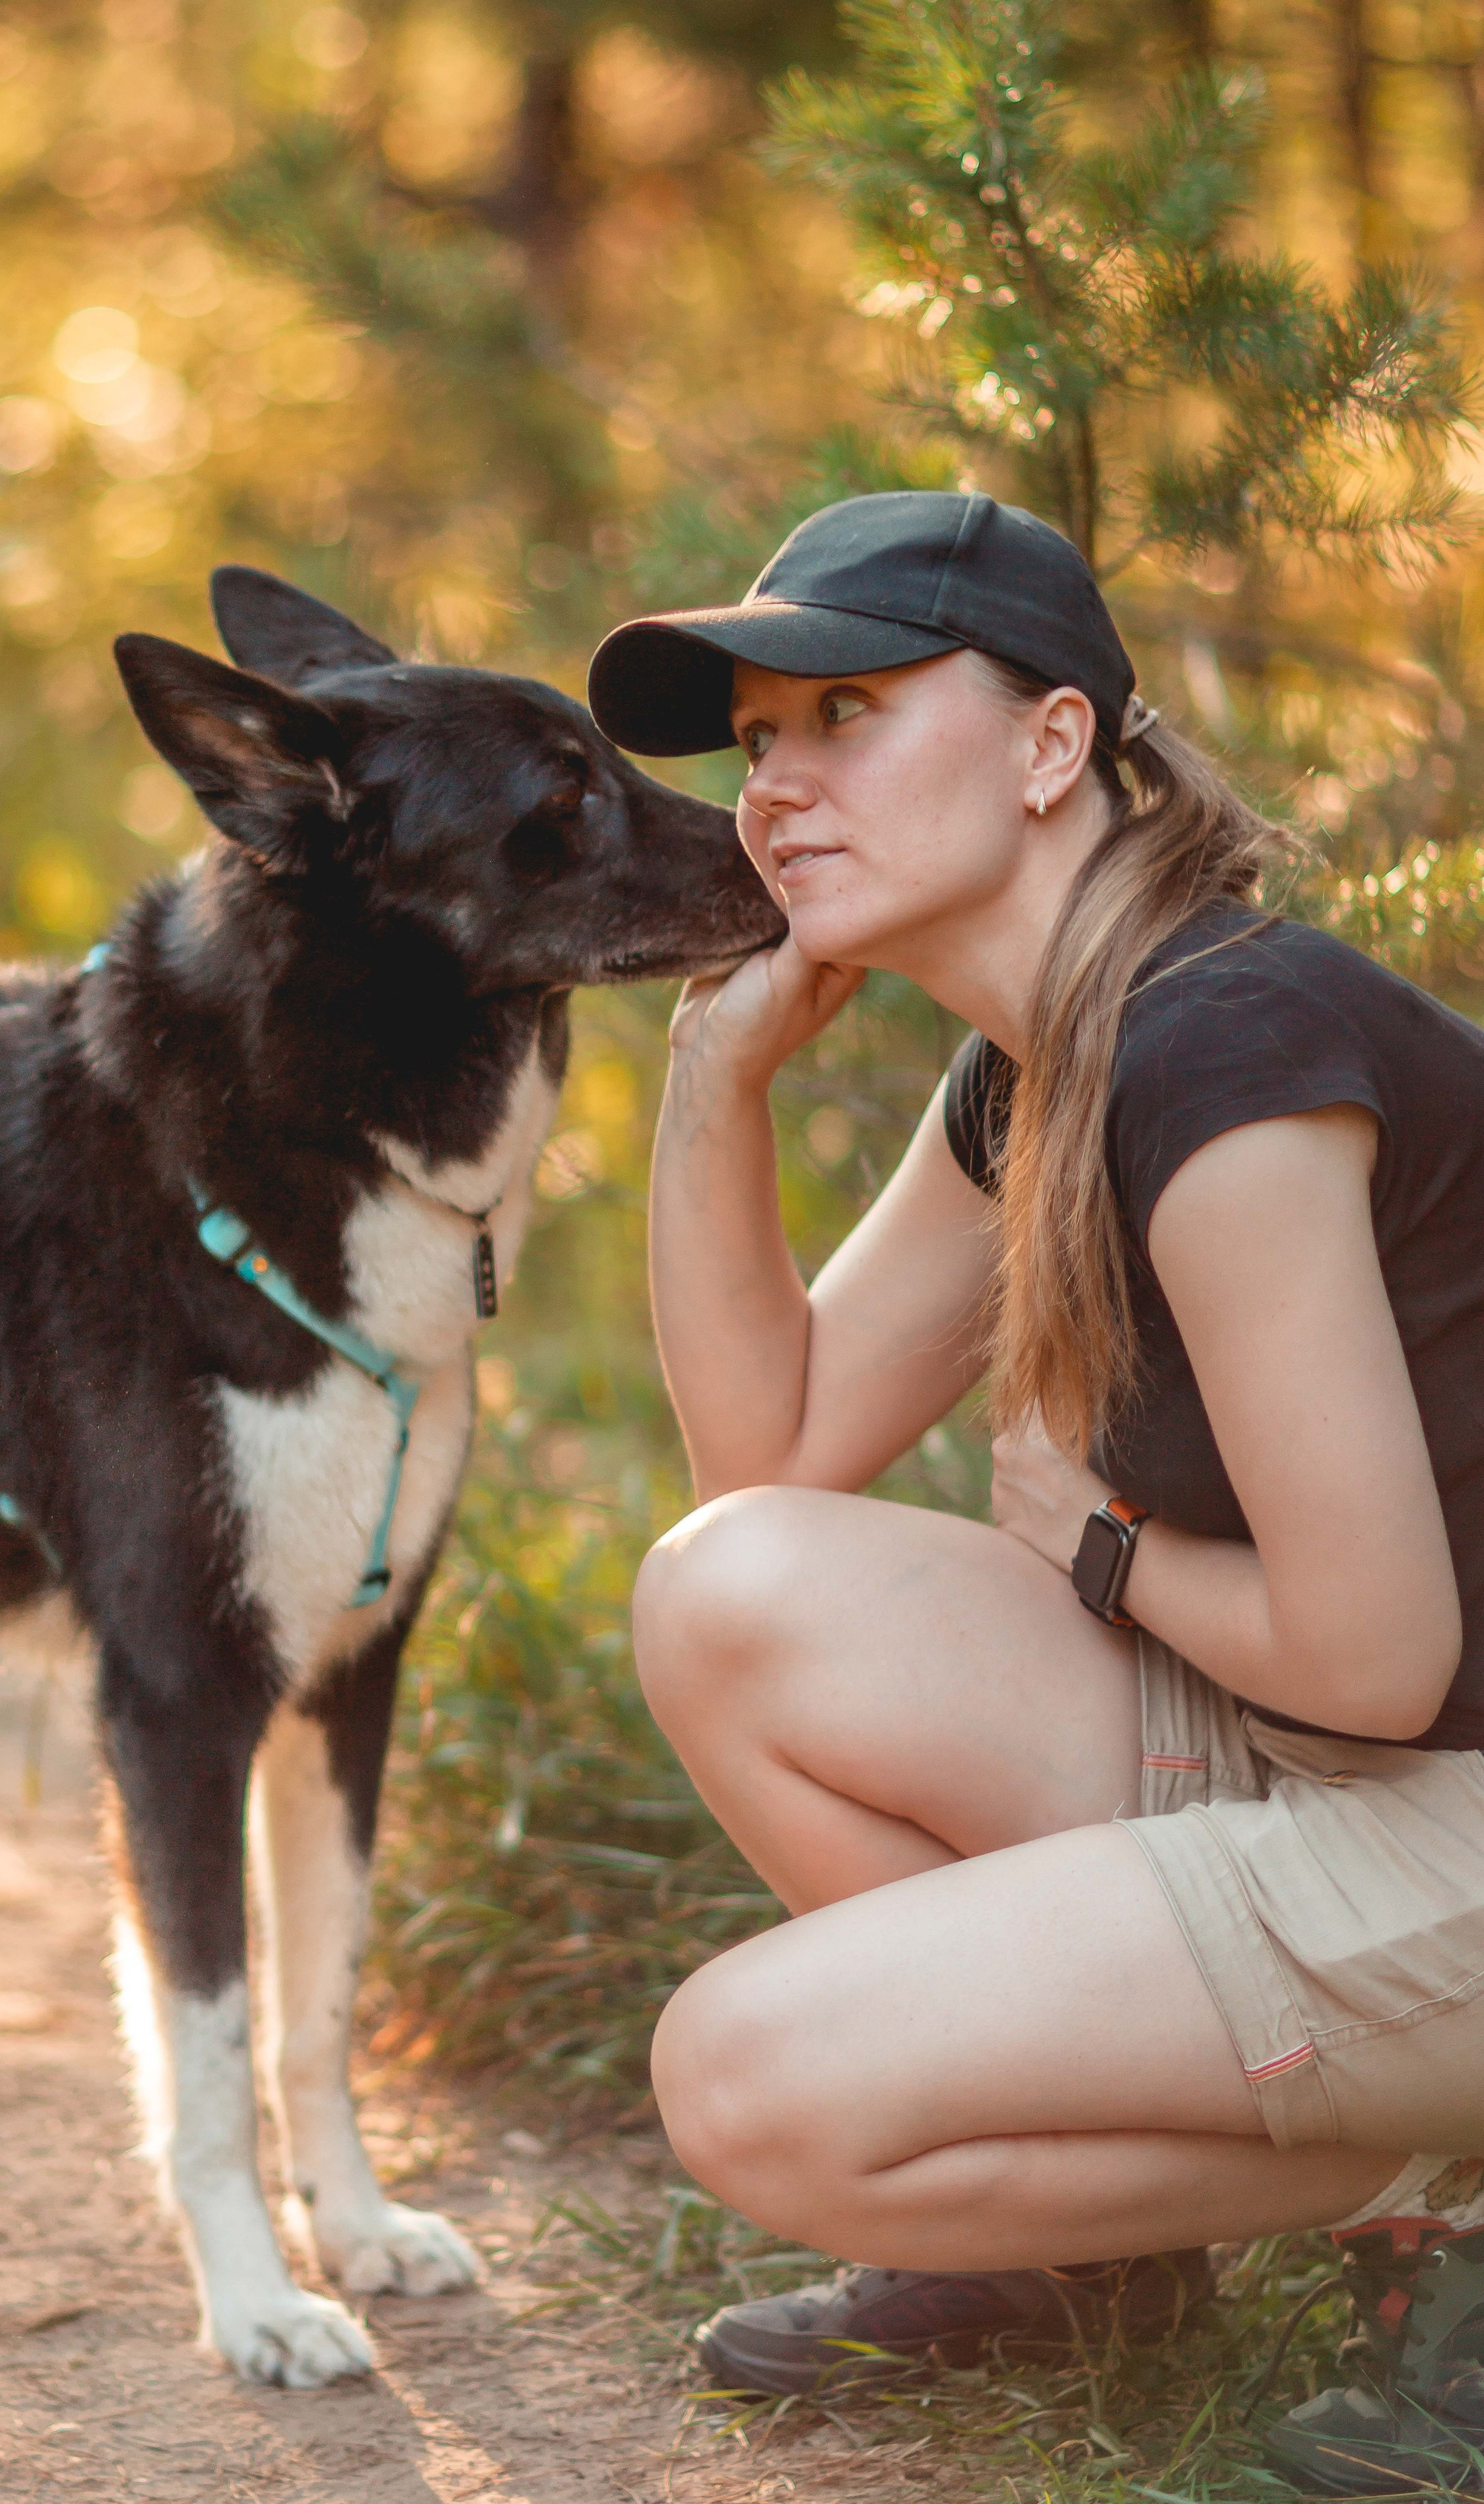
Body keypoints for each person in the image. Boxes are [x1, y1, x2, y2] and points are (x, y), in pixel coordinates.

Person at [583, 491, 1484, 2493]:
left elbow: (1376, 1649)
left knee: (752, 2085)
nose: (779, 789)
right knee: (729, 1591)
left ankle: (1442, 2220)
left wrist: (1099, 1544)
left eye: (851, 715)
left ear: (1054, 745)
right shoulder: (1046, 1067)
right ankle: (1101, 2260)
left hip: (1446, 1798)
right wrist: (713, 1082)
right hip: (1351, 1776)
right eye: (757, 743)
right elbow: (771, 1469)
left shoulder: (1227, 1055)